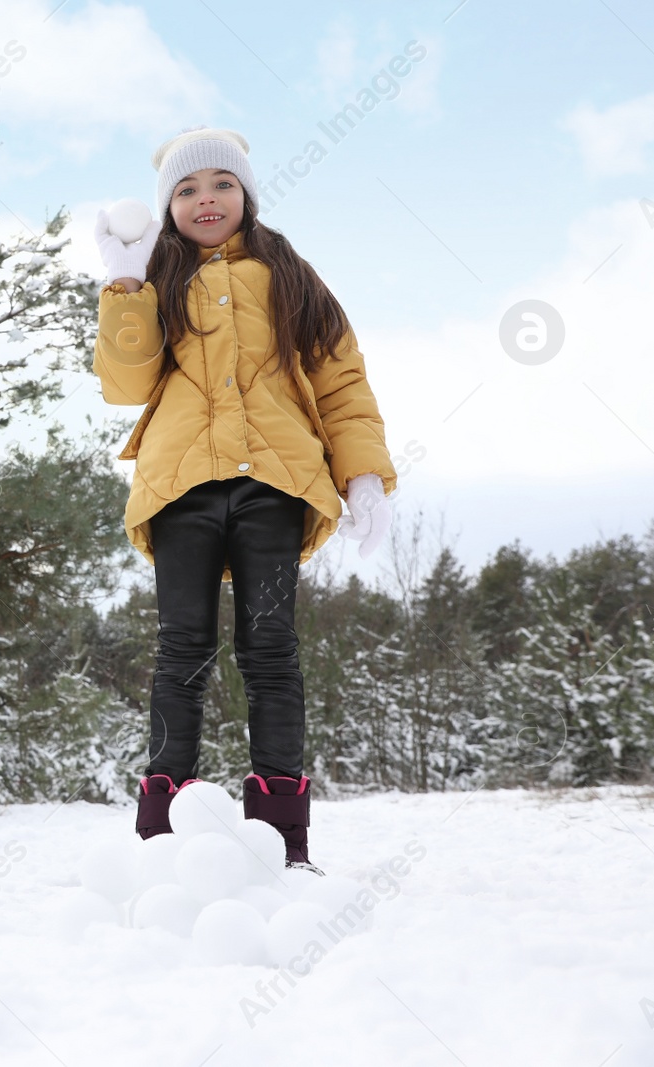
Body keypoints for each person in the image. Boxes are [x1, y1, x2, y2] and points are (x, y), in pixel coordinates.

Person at [91, 127, 396, 874]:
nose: (206, 200)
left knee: (271, 653)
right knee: (182, 653)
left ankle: (285, 843)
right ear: (168, 207)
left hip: (275, 481)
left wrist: (363, 474)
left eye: (221, 185)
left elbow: (341, 380)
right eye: (188, 190)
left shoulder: (289, 274)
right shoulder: (154, 276)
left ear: (247, 194)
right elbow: (123, 386)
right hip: (180, 485)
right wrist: (128, 290)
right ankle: (160, 839)